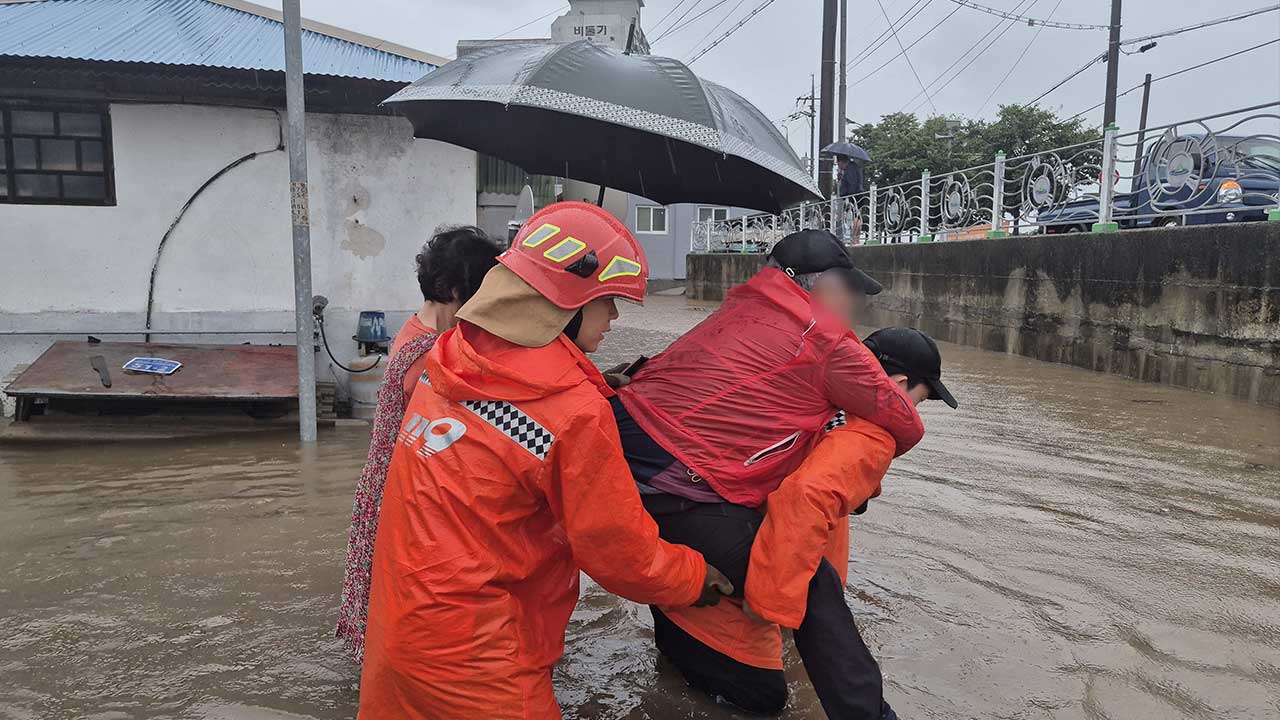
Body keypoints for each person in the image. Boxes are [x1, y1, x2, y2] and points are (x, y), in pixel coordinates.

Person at [357, 202, 734, 720]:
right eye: (607, 302)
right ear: (566, 302)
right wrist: (693, 577)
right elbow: (618, 552)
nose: (615, 318)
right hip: (481, 662)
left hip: (397, 640)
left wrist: (594, 380)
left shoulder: (445, 358)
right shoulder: (573, 412)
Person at [611, 230, 925, 718]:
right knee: (811, 589)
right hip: (676, 487)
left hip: (617, 471)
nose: (856, 307)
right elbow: (902, 419)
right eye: (851, 291)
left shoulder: (734, 313)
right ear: (820, 286)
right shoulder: (824, 340)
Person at [649, 327, 959, 719]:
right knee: (765, 701)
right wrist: (769, 605)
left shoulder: (803, 394)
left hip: (694, 562)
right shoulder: (867, 433)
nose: (914, 413)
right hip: (727, 599)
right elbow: (805, 498)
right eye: (921, 399)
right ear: (898, 384)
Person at [336, 226, 501, 663]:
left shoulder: (415, 331)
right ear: (451, 291)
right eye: (479, 293)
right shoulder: (432, 355)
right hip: (406, 492)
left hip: (386, 482)